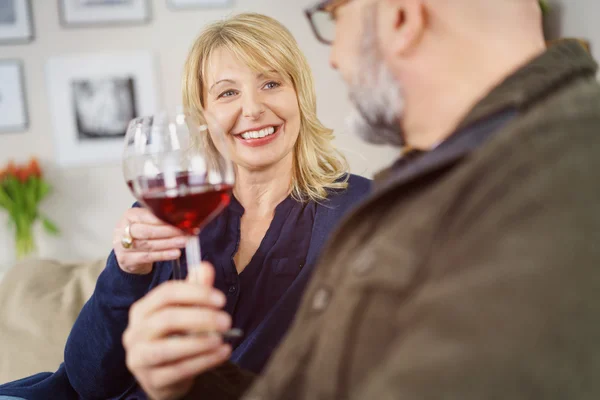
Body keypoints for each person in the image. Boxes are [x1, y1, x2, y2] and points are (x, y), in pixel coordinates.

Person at [122, 0, 600, 399]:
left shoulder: (553, 177)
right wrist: (193, 382)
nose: (334, 59)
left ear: (400, 18)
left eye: (335, 16)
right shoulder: (459, 172)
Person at [0, 13, 370, 400]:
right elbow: (87, 381)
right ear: (202, 116)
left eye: (271, 83)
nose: (254, 107)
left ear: (300, 94)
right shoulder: (173, 207)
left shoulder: (362, 212)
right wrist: (126, 272)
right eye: (227, 93)